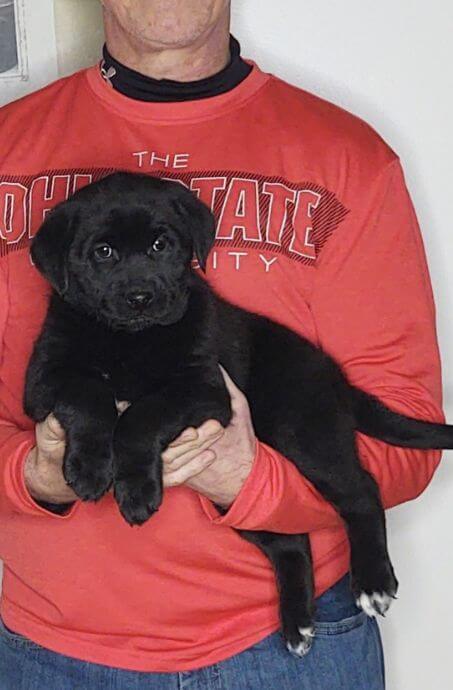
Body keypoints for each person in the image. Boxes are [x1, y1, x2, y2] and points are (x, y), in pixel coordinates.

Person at [0, 1, 444, 688]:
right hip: (51, 649)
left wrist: (251, 482)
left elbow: (394, 428)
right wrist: (33, 476)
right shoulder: (7, 148)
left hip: (288, 650)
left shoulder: (346, 159)